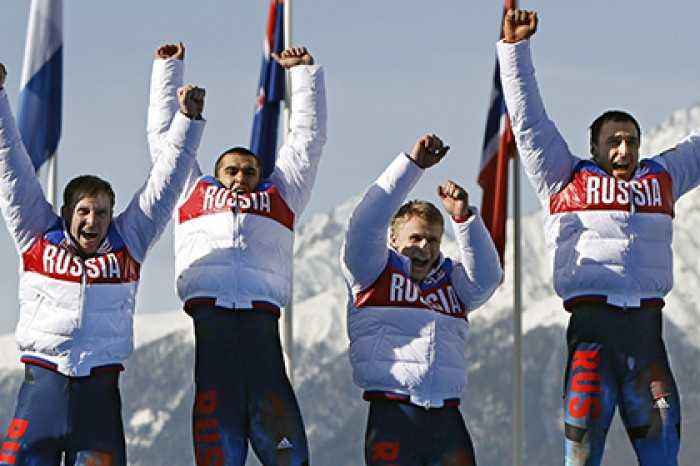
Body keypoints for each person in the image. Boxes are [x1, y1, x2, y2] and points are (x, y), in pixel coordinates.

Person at [498, 9, 696, 465]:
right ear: (594, 148)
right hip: (592, 332)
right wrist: (516, 51)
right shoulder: (563, 177)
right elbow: (529, 125)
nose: (623, 150)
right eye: (613, 141)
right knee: (583, 453)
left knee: (664, 448)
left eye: (630, 141)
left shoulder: (663, 176)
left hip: (647, 332)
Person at [0, 57, 205, 465]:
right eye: (84, 211)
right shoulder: (35, 235)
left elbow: (162, 187)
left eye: (102, 213)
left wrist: (186, 120)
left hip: (99, 401)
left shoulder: (129, 242)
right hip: (41, 390)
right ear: (67, 212)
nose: (93, 221)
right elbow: (11, 166)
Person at [147, 43, 326, 465]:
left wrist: (302, 74)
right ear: (215, 173)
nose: (241, 178)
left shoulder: (281, 196)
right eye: (232, 171)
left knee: (288, 452)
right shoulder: (190, 190)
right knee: (217, 452)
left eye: (250, 172)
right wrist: (167, 71)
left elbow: (307, 142)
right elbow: (163, 144)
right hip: (211, 327)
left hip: (262, 324)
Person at [340, 134, 503, 466]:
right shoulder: (371, 273)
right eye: (415, 238)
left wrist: (465, 219)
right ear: (394, 239)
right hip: (393, 417)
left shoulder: (452, 280)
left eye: (433, 240)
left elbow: (487, 280)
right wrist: (412, 167)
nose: (424, 248)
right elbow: (363, 225)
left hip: (448, 417)